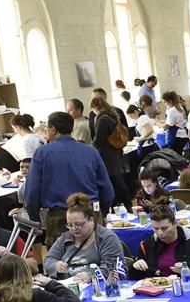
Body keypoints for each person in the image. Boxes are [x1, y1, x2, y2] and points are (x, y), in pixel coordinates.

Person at [24, 112, 115, 243]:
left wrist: (35, 219)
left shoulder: (42, 153)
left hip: (60, 218)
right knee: (96, 257)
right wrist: (102, 213)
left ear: (53, 130)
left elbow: (32, 191)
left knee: (60, 260)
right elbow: (107, 190)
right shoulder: (91, 152)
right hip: (90, 214)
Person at [43, 194, 124, 279]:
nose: (74, 228)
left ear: (91, 220)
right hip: (67, 285)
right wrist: (55, 265)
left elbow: (111, 268)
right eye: (70, 225)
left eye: (78, 224)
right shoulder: (64, 238)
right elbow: (48, 260)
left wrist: (91, 276)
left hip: (97, 286)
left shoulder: (106, 238)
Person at [129, 205, 190, 279]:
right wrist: (135, 266)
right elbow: (135, 277)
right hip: (157, 290)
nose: (160, 233)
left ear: (175, 223)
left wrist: (188, 269)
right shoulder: (147, 244)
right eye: (156, 228)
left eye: (164, 228)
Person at [88, 96, 129, 206]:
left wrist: (90, 149)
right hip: (116, 151)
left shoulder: (102, 119)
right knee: (119, 180)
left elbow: (99, 140)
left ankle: (118, 204)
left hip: (107, 155)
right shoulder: (113, 115)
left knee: (113, 181)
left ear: (95, 107)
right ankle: (126, 203)